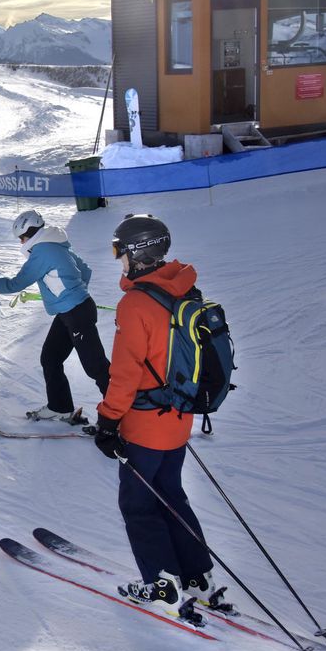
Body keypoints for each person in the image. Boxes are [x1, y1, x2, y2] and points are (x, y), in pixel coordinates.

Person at [93, 213, 224, 617]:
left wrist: (108, 420)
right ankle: (199, 577)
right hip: (179, 418)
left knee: (138, 505)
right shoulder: (185, 287)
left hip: (144, 425)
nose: (119, 261)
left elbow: (125, 372)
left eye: (120, 252)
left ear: (136, 253)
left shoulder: (135, 303)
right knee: (171, 494)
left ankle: (161, 585)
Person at [0, 209, 110, 422]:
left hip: (76, 313)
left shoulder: (43, 251)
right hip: (70, 312)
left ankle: (124, 413)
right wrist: (71, 293)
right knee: (51, 358)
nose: (20, 243)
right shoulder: (57, 245)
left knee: (95, 366)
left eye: (21, 238)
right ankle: (60, 406)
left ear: (28, 235)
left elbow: (17, 282)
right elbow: (85, 271)